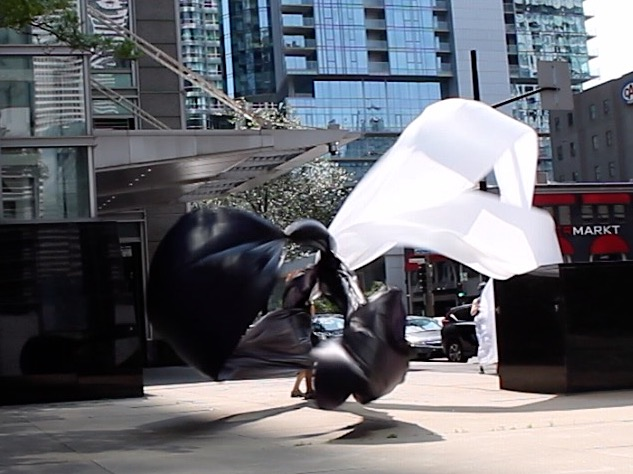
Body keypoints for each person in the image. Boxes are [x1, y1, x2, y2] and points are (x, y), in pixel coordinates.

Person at [291, 301, 316, 399]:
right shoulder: (307, 307)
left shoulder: (294, 310)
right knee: (308, 364)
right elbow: (312, 318)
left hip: (298, 339)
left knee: (304, 365)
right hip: (305, 339)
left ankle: (296, 389)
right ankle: (309, 390)